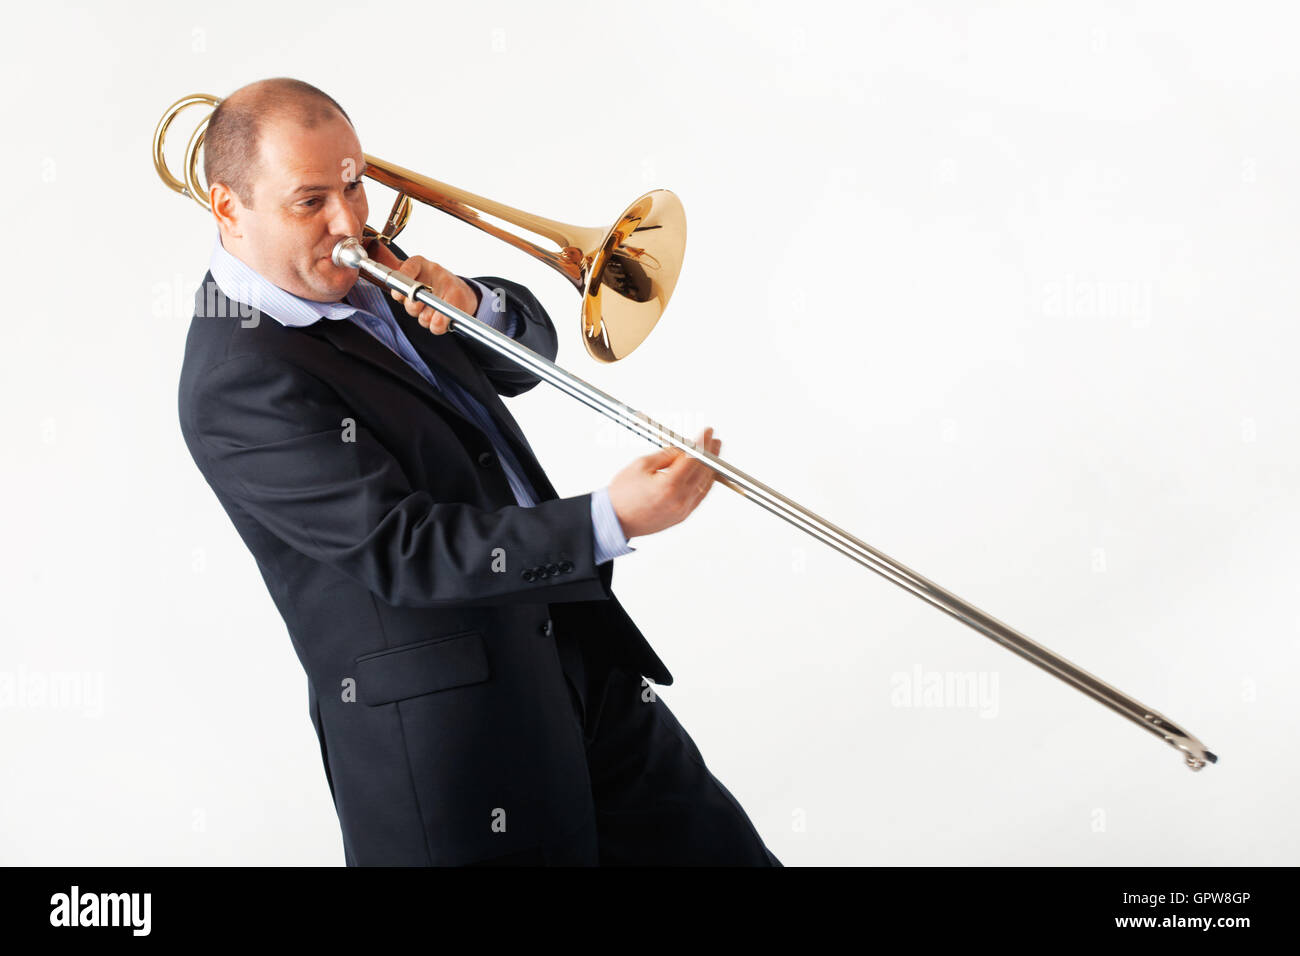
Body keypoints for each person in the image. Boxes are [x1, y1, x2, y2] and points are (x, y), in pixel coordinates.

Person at [176, 78, 781, 866]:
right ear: (228, 209)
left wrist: (473, 301)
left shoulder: (358, 269)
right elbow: (405, 547)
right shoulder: (237, 376)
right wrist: (611, 520)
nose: (348, 222)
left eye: (355, 184)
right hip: (458, 747)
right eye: (310, 201)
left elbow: (529, 359)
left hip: (583, 666)